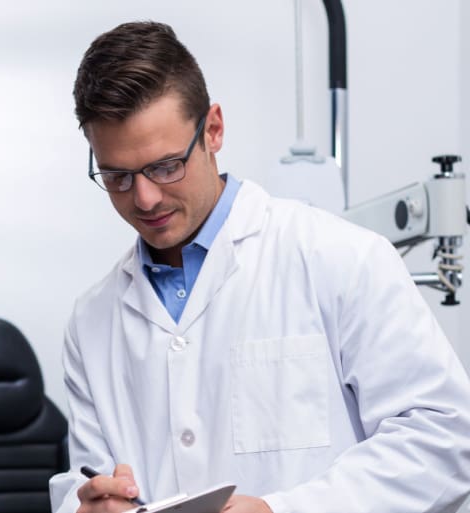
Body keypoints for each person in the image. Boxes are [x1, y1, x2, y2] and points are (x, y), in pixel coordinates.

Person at [48, 20, 470, 513]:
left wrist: (282, 510)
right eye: (117, 176)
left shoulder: (341, 258)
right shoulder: (91, 320)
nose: (144, 198)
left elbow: (443, 440)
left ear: (213, 130)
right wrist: (90, 507)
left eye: (166, 166)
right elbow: (88, 480)